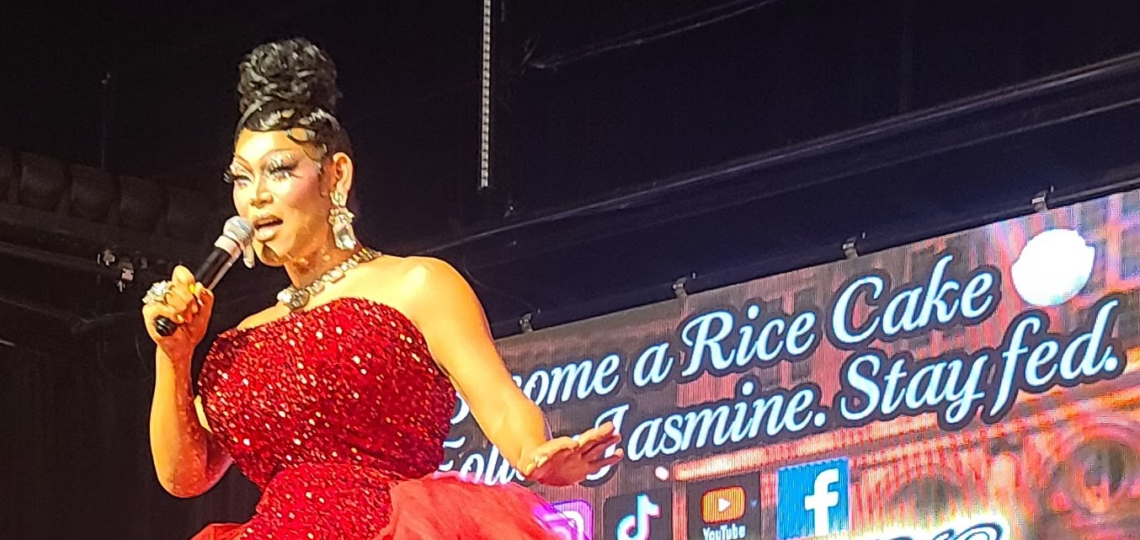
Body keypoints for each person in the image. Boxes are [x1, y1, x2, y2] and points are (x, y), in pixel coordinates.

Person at [142, 37, 623, 540]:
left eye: (279, 171)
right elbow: (185, 477)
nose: (256, 196)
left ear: (336, 176)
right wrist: (174, 356)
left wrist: (534, 454)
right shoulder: (242, 342)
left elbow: (500, 402)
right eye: (242, 179)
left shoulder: (417, 285)